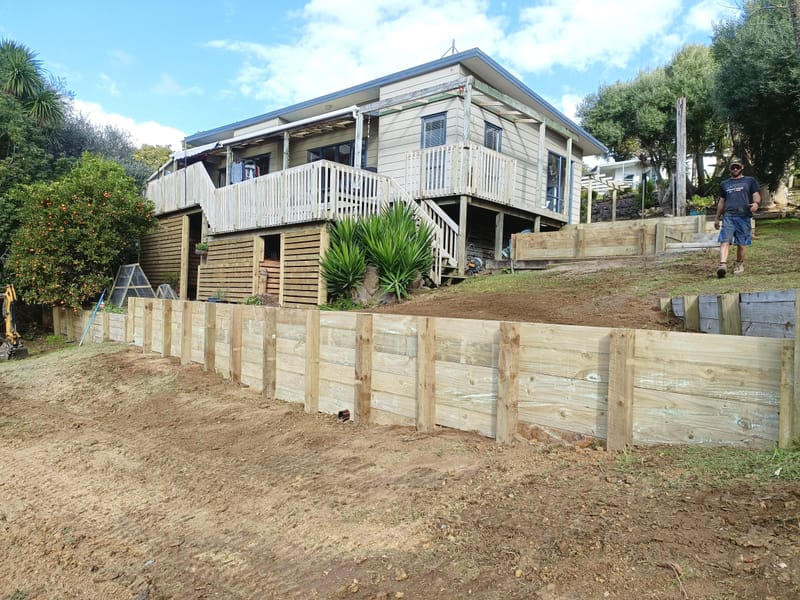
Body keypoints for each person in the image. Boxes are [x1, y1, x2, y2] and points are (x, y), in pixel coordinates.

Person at [713, 157, 760, 278]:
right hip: (728, 216)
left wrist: (756, 204)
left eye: (737, 167)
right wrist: (717, 218)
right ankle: (722, 265)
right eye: (732, 167)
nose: (735, 169)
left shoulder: (750, 181)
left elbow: (756, 195)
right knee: (725, 240)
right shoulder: (725, 184)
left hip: (743, 216)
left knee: (741, 243)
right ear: (729, 168)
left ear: (742, 167)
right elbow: (722, 201)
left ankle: (739, 263)